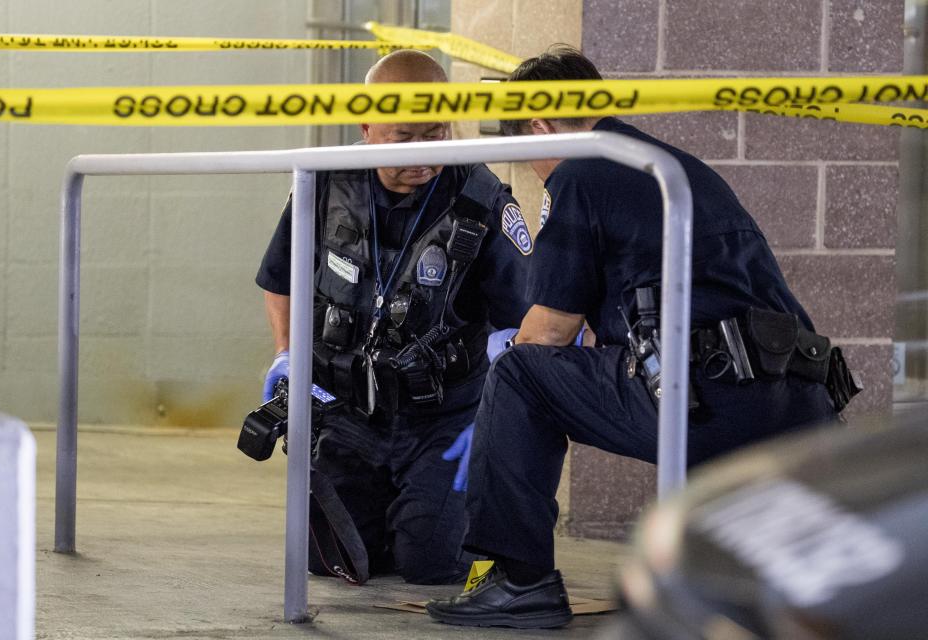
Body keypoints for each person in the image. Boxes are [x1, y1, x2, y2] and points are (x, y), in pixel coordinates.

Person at [426, 46, 850, 627]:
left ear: (543, 126)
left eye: (527, 155)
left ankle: (521, 582)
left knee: (518, 375)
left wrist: (495, 422)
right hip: (800, 403)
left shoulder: (579, 171)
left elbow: (550, 329)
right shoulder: (670, 167)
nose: (532, 171)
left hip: (707, 399)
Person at [255, 49, 532, 585]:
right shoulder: (324, 183)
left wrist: (497, 419)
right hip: (349, 411)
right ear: (366, 124)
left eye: (436, 133)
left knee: (428, 564)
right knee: (331, 559)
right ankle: (396, 508)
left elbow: (523, 319)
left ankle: (455, 512)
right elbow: (280, 279)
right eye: (405, 137)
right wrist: (287, 355)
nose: (424, 154)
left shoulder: (482, 198)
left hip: (444, 418)